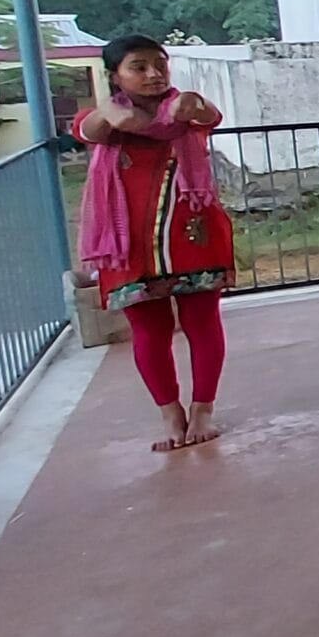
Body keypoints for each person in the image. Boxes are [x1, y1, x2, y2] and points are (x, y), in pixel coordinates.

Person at [76, 36, 235, 451]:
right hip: (128, 247)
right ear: (115, 75)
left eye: (159, 64)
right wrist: (110, 115)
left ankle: (202, 409)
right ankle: (170, 412)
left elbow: (209, 113)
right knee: (149, 330)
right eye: (139, 67)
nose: (153, 74)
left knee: (203, 323)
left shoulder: (184, 109)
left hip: (193, 235)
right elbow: (90, 129)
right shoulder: (104, 118)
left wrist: (194, 103)